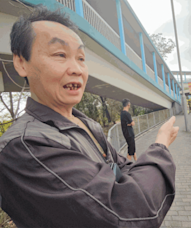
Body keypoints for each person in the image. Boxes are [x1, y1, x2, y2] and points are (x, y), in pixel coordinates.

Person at [0, 5, 178, 228]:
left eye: (81, 58)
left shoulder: (86, 124)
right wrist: (160, 146)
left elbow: (123, 170)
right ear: (20, 63)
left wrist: (130, 180)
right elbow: (129, 213)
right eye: (60, 55)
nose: (76, 69)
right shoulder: (24, 146)